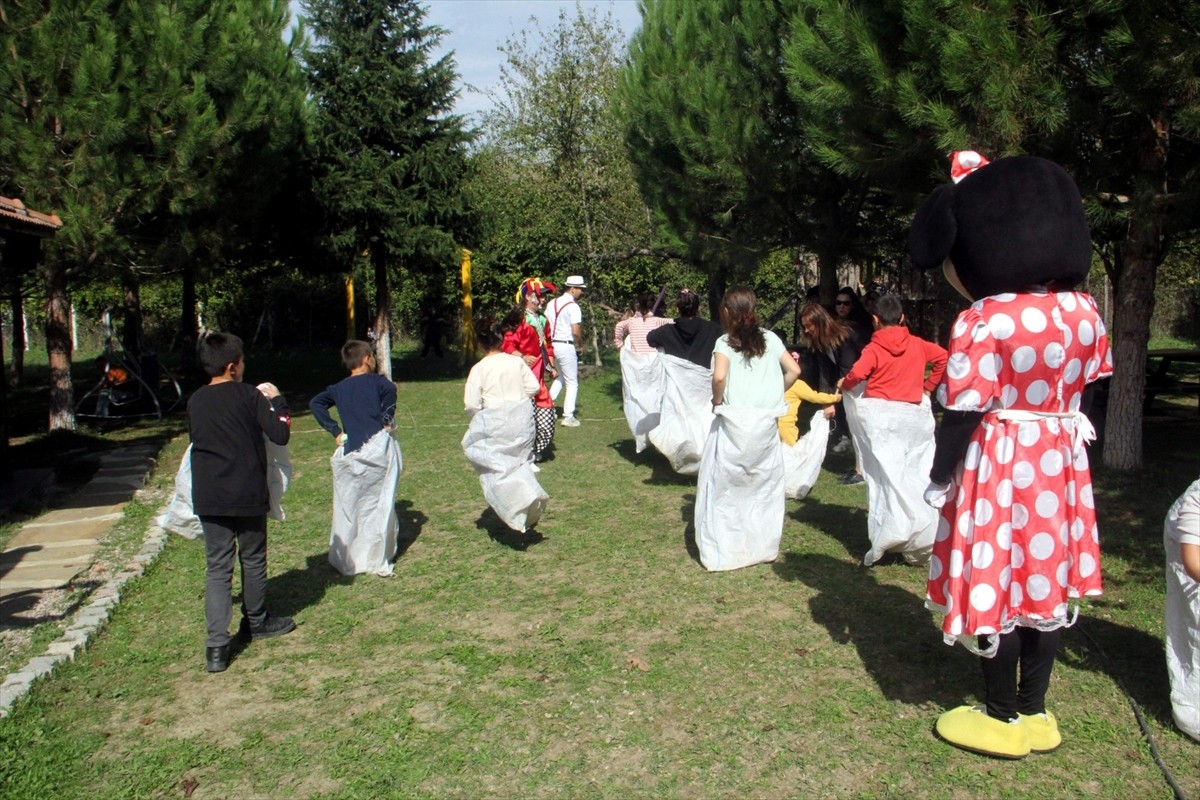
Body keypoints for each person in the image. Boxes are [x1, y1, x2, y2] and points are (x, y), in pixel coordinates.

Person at [910, 152, 1113, 759]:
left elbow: (964, 409)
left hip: (998, 460)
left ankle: (1000, 716)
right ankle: (1037, 711)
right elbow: (1096, 388)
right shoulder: (1085, 313)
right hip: (1059, 460)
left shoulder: (983, 319)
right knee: (1045, 585)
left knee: (995, 579)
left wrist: (941, 474)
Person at [187, 332, 293, 674]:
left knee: (217, 567)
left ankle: (216, 646)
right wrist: (277, 401)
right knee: (252, 558)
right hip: (246, 491)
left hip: (209, 494)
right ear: (233, 367)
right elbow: (280, 433)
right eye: (243, 362)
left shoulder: (196, 400)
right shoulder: (249, 396)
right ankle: (257, 620)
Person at [695, 287, 800, 571]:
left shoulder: (724, 343)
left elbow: (719, 377)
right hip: (765, 425)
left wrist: (717, 402)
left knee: (726, 486)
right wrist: (775, 394)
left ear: (727, 312)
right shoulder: (771, 339)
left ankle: (725, 549)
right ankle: (762, 546)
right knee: (762, 486)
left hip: (734, 424)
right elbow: (794, 371)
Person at [838, 294, 948, 565]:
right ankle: (922, 534)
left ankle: (889, 533)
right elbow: (944, 357)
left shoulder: (873, 350)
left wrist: (845, 385)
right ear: (901, 318)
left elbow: (856, 375)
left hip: (882, 420)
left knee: (886, 480)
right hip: (913, 418)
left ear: (875, 320)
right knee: (916, 474)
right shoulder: (918, 345)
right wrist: (927, 387)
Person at [309, 340, 401, 577]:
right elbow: (391, 391)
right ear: (367, 358)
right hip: (377, 450)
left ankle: (351, 551)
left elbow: (316, 403)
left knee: (352, 503)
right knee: (378, 502)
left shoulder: (338, 388)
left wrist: (335, 431)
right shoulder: (379, 383)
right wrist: (386, 418)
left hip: (352, 450)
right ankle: (374, 551)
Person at [462, 316, 548, 531]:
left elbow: (471, 403)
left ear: (479, 343)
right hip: (521, 418)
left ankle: (516, 505)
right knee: (519, 461)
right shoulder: (515, 361)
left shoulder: (480, 368)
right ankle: (527, 499)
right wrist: (518, 399)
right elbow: (533, 387)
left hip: (495, 420)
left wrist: (481, 414)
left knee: (497, 467)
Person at [799, 303, 863, 484]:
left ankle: (862, 470)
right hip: (848, 384)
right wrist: (826, 400)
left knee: (859, 426)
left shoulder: (844, 336)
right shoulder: (820, 343)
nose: (807, 330)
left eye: (809, 325)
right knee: (853, 425)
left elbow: (847, 370)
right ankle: (859, 468)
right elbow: (825, 373)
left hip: (862, 384)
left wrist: (834, 398)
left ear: (819, 322)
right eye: (804, 326)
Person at [502, 278, 557, 462]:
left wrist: (551, 365)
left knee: (546, 413)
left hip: (539, 378)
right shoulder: (518, 319)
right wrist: (522, 356)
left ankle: (535, 449)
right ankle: (523, 453)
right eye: (539, 295)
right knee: (525, 416)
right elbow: (508, 344)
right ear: (528, 296)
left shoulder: (542, 319)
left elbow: (548, 345)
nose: (542, 300)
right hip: (523, 378)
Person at [1164, 477, 1200, 742]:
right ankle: (1192, 712)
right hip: (1190, 547)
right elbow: (1192, 562)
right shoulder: (1197, 499)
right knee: (1194, 621)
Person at [546, 275, 587, 427]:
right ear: (572, 289)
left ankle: (547, 406)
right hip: (566, 344)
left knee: (561, 377)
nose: (582, 292)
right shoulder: (573, 306)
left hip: (552, 344)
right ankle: (568, 415)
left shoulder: (551, 303)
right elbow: (575, 331)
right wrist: (581, 344)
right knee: (572, 382)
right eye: (581, 289)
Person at [646, 288, 723, 368]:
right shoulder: (713, 330)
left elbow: (650, 338)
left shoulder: (667, 331)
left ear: (677, 309)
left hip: (676, 378)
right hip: (703, 378)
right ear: (699, 308)